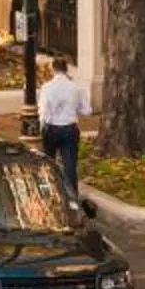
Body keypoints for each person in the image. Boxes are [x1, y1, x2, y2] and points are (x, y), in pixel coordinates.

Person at [37, 55, 90, 199]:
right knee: (70, 165)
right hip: (70, 129)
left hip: (51, 128)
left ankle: (46, 193)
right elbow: (87, 110)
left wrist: (43, 126)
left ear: (53, 69)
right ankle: (72, 196)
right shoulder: (76, 88)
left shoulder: (47, 87)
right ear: (67, 69)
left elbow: (43, 110)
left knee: (47, 163)